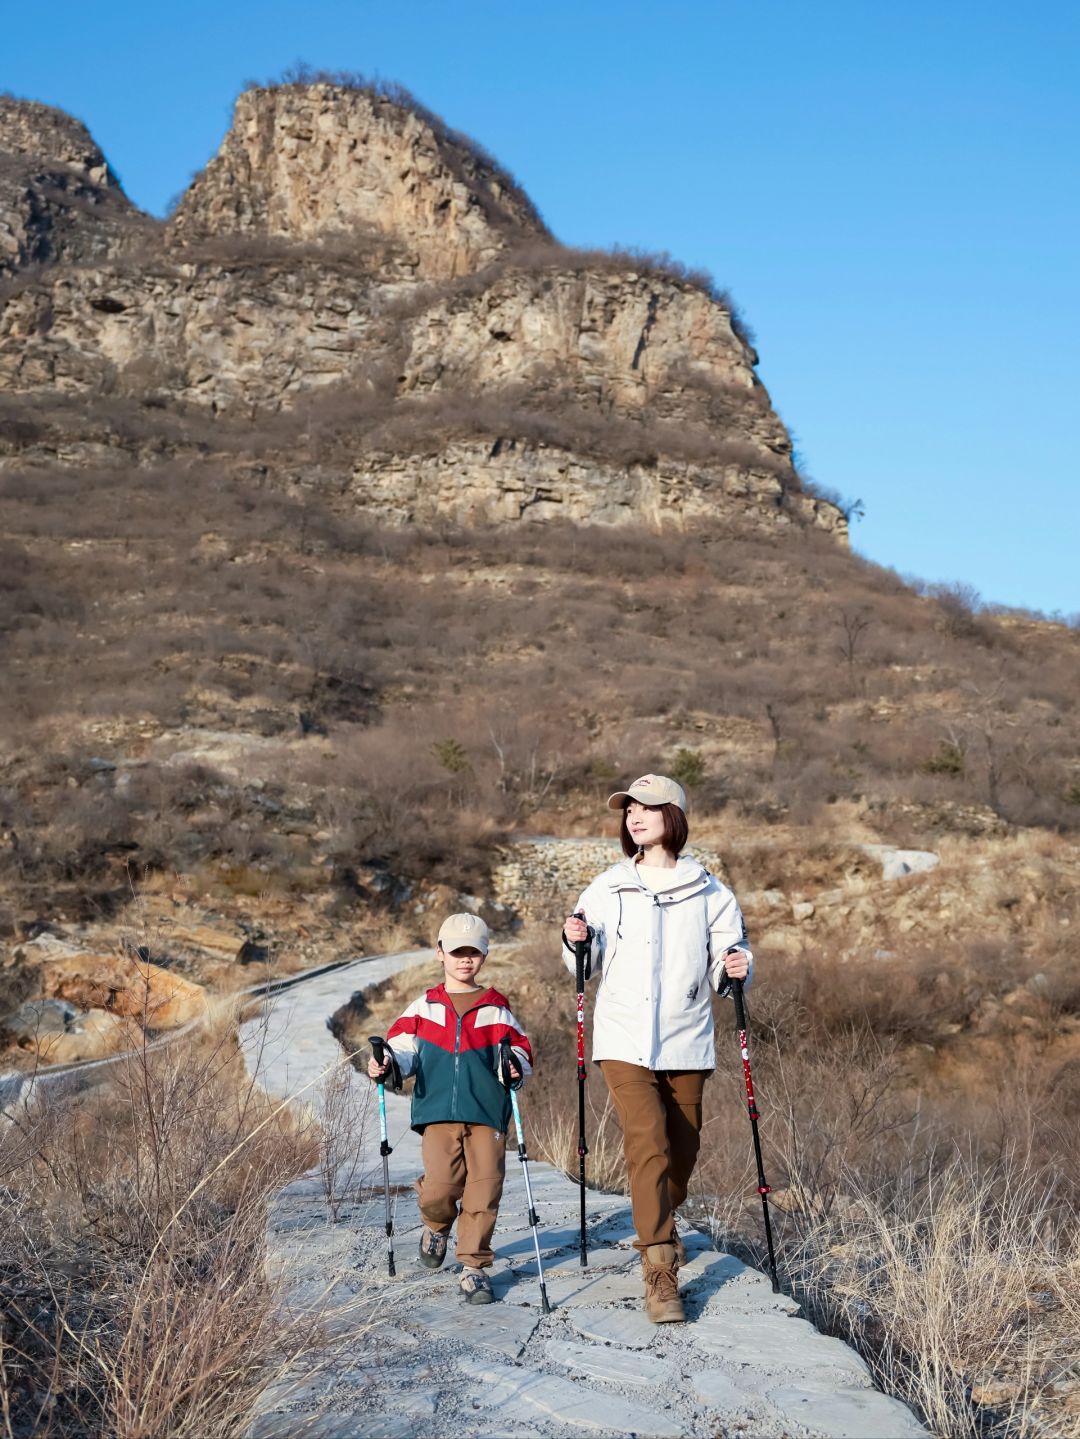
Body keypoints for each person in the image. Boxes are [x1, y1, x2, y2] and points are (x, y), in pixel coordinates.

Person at [562, 773, 752, 1324]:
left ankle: (656, 1221)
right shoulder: (608, 886)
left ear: (675, 815)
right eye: (628, 810)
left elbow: (729, 956)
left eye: (647, 807)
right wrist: (575, 941)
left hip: (687, 1037)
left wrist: (737, 967)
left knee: (682, 1153)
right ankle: (660, 1271)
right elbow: (584, 958)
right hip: (622, 1035)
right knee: (647, 1144)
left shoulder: (711, 891)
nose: (634, 816)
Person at [367, 912, 533, 1304]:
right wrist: (386, 1063)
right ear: (440, 953)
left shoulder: (497, 1010)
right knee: (440, 1187)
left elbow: (521, 1051)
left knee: (485, 1188)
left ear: (485, 955)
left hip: (487, 1113)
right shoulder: (424, 1007)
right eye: (457, 951)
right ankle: (436, 1226)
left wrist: (513, 1067)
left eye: (473, 952)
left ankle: (474, 1268)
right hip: (437, 1112)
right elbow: (401, 1049)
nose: (465, 959)